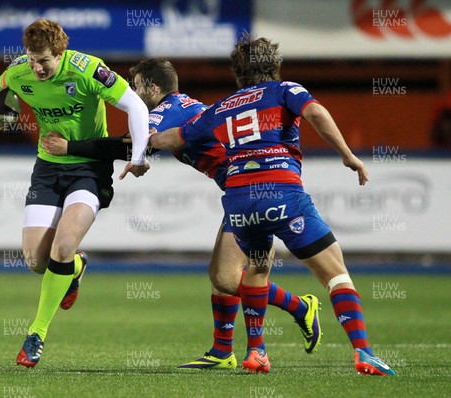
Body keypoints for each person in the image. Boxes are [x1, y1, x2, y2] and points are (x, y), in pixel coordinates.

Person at [42, 58, 322, 370]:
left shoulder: (166, 110)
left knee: (226, 277)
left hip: (250, 188)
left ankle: (300, 307)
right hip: (246, 186)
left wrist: (70, 147)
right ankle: (222, 352)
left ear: (152, 87)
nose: (132, 95)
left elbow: (131, 145)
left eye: (136, 88)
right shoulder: (182, 106)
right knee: (221, 274)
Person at [149, 36, 396, 376]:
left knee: (257, 269)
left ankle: (257, 352)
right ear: (275, 66)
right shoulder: (285, 90)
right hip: (282, 195)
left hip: (240, 205)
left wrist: (139, 149)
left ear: (237, 73)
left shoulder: (221, 106)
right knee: (336, 275)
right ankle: (364, 353)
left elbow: (174, 137)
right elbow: (316, 112)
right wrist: (348, 155)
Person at [0, 18, 150, 368]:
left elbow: (135, 106)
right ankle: (77, 267)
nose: (36, 68)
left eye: (44, 61)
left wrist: (139, 155)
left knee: (62, 246)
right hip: (48, 167)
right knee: (37, 261)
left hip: (88, 168)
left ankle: (36, 334)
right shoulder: (20, 71)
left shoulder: (88, 70)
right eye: (31, 59)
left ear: (61, 52)